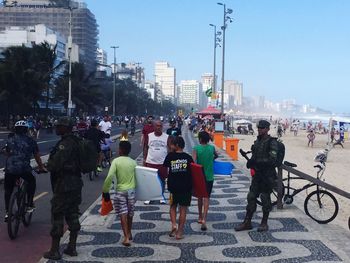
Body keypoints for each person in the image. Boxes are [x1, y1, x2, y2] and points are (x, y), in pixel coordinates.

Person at [43, 117, 83, 260]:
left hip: (64, 184)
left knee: (57, 214)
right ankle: (72, 247)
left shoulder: (65, 144)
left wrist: (48, 165)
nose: (56, 128)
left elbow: (55, 165)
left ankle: (54, 250)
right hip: (76, 183)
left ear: (66, 128)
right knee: (72, 213)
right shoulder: (77, 141)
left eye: (59, 126)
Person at [234, 120, 278, 232]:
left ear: (267, 129)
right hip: (257, 175)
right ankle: (247, 221)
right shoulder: (257, 141)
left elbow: (273, 160)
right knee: (251, 197)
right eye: (258, 127)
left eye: (262, 128)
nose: (259, 129)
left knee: (265, 198)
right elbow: (254, 155)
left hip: (267, 175)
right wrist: (251, 162)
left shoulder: (272, 142)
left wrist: (258, 162)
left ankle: (264, 222)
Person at [3, 120, 46, 222]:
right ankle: (30, 204)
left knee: (8, 190)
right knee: (32, 181)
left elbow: (6, 152)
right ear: (27, 130)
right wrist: (41, 167)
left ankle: (7, 212)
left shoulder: (10, 139)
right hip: (24, 169)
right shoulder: (31, 141)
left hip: (10, 169)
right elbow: (37, 156)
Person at [102, 141, 137, 246]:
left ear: (120, 150)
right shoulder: (133, 162)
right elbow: (137, 178)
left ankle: (126, 237)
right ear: (129, 151)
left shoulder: (115, 161)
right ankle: (129, 233)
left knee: (123, 213)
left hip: (120, 190)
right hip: (131, 191)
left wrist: (105, 190)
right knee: (130, 213)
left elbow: (109, 176)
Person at [164, 136, 193, 240]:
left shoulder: (170, 156)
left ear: (176, 145)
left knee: (172, 206)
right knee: (183, 210)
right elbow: (194, 172)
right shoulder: (188, 157)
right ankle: (179, 233)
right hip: (186, 187)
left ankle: (173, 224)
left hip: (173, 187)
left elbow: (165, 169)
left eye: (172, 144)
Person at [192, 131, 217, 231]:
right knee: (207, 197)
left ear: (200, 139)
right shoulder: (211, 148)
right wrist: (211, 159)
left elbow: (193, 162)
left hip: (199, 176)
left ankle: (199, 216)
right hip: (209, 177)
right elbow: (216, 155)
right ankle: (205, 220)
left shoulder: (196, 149)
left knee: (199, 197)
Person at [144, 119, 169, 205]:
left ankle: (161, 196)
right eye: (157, 126)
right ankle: (149, 197)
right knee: (150, 180)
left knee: (162, 180)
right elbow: (145, 148)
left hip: (162, 163)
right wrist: (144, 159)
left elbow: (168, 150)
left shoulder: (166, 137)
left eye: (160, 126)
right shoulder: (149, 136)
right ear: (154, 127)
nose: (159, 127)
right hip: (150, 161)